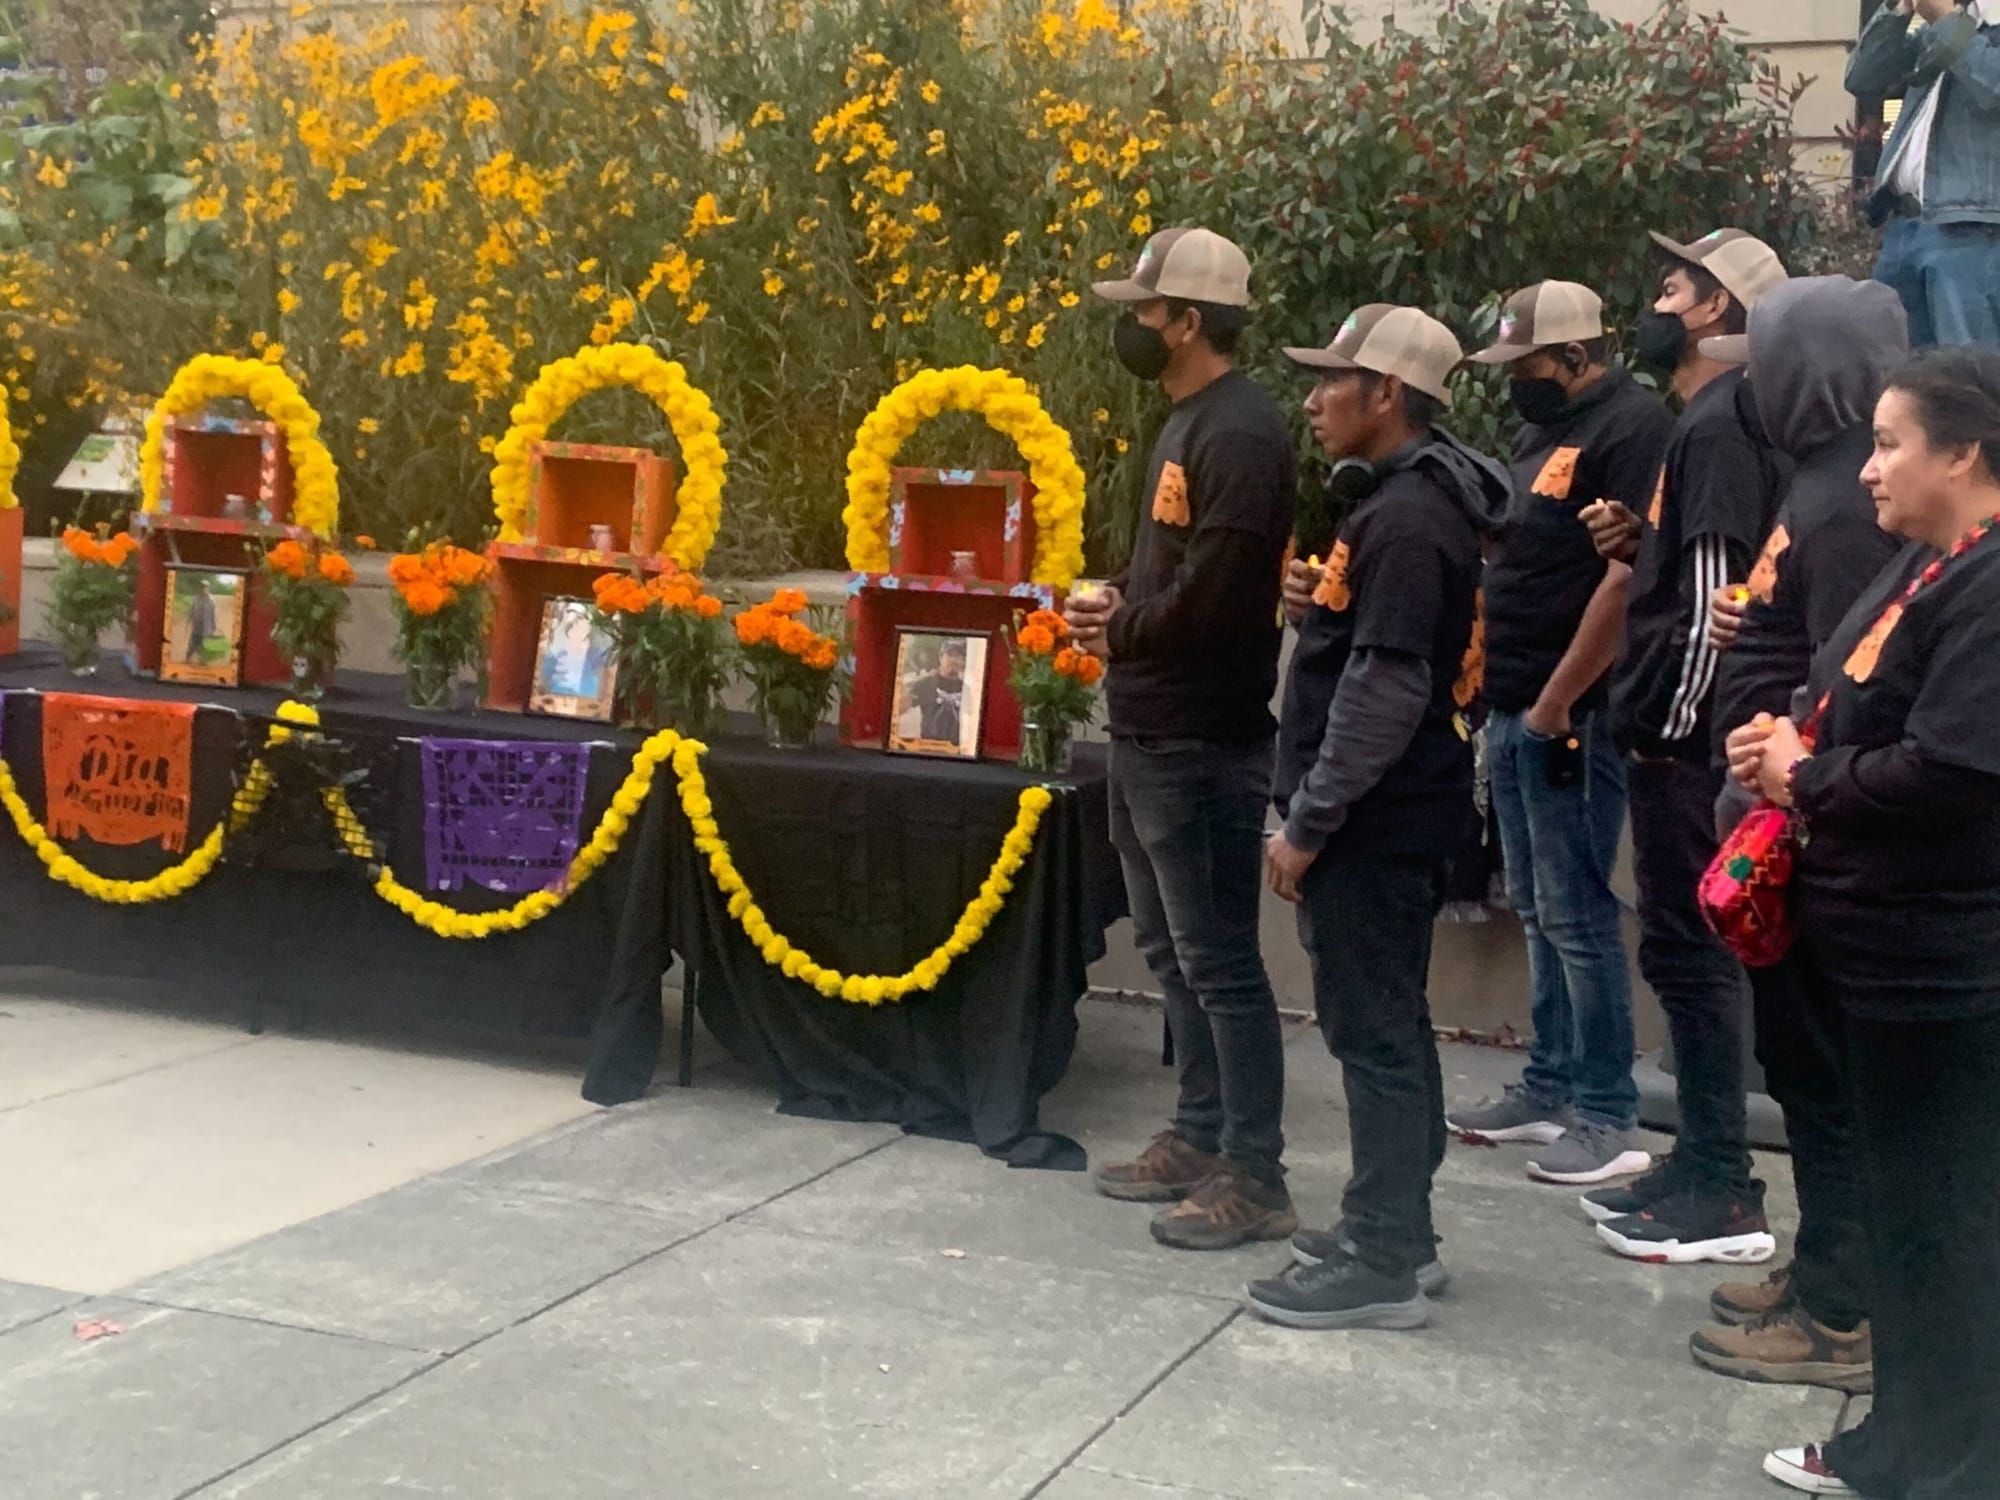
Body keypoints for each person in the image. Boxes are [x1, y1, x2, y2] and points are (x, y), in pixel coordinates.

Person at [1739, 347, 2000, 1499]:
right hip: (1885, 950)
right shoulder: (1930, 568)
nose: (1869, 473)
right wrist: (1787, 743)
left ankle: (1933, 1460)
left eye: (1890, 445)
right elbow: (1845, 695)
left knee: (1939, 1226)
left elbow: (1946, 773)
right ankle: (1908, 1439)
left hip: (1937, 964)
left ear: (1964, 452)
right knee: (1915, 1220)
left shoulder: (1989, 591)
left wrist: (1805, 774)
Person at [1242, 305, 1508, 1330]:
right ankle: (1395, 1230)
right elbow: (1381, 651)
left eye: (1331, 381)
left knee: (1375, 1038)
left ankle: (1383, 1258)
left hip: (1373, 826)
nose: (1311, 399)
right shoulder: (1404, 508)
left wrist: (1307, 823)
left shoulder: (1404, 520)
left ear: (1386, 395)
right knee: (1382, 1026)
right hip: (1386, 819)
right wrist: (1324, 611)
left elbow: (1387, 691)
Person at [1687, 277, 1909, 1396]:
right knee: (1801, 1070)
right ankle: (1820, 1266)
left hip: (1809, 843)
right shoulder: (1815, 487)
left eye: (1761, 361)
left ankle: (1838, 1308)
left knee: (1823, 1084)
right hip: (1775, 836)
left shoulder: (1845, 509)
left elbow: (1854, 688)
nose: (1746, 382)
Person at [1066, 226, 1299, 1251]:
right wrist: (1114, 597)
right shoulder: (1184, 422)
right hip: (1147, 729)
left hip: (1201, 741)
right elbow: (1170, 573)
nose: (1132, 326)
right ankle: (1200, 1136)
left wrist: (1115, 624)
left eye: (1143, 311)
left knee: (1217, 962)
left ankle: (1253, 1172)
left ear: (1187, 321)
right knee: (1169, 951)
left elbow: (1220, 599)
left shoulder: (1240, 434)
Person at [1579, 227, 1789, 1264]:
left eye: (1671, 285)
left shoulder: (1713, 425)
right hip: (1690, 744)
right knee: (1677, 955)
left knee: (1692, 964)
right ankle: (1702, 1158)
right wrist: (1638, 542)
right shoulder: (1705, 422)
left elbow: (1721, 598)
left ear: (1711, 311)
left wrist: (1675, 734)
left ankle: (1719, 1184)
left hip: (1686, 750)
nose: (1653, 298)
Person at [1446, 281, 1673, 1186]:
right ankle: (1548, 1088)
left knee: (1577, 915)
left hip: (1571, 715)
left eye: (1528, 366)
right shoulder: (1545, 429)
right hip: (1514, 704)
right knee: (1539, 913)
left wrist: (1555, 703)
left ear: (1577, 359)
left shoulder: (1634, 429)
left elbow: (1624, 584)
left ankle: (1607, 1113)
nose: (1515, 384)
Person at [1845, 0, 1999, 348]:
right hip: (1905, 225)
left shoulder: (1965, 25)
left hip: (1973, 233)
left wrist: (1946, 20)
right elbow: (1864, 76)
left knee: (1965, 380)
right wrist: (1898, 10)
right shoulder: (1943, 27)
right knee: (1896, 373)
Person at [905, 639, 967, 743]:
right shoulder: (923, 685)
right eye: (950, 655)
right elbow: (900, 708)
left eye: (958, 656)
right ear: (940, 657)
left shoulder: (968, 690)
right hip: (928, 750)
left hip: (957, 753)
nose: (954, 660)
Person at [184, 578, 217, 661]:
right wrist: (188, 622)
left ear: (208, 588)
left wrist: (213, 627)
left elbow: (212, 615)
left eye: (205, 587)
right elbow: (191, 612)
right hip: (196, 627)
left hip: (206, 628)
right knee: (192, 644)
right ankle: (188, 659)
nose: (203, 589)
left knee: (205, 646)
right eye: (202, 587)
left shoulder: (211, 601)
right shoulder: (195, 599)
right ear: (199, 588)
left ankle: (203, 661)